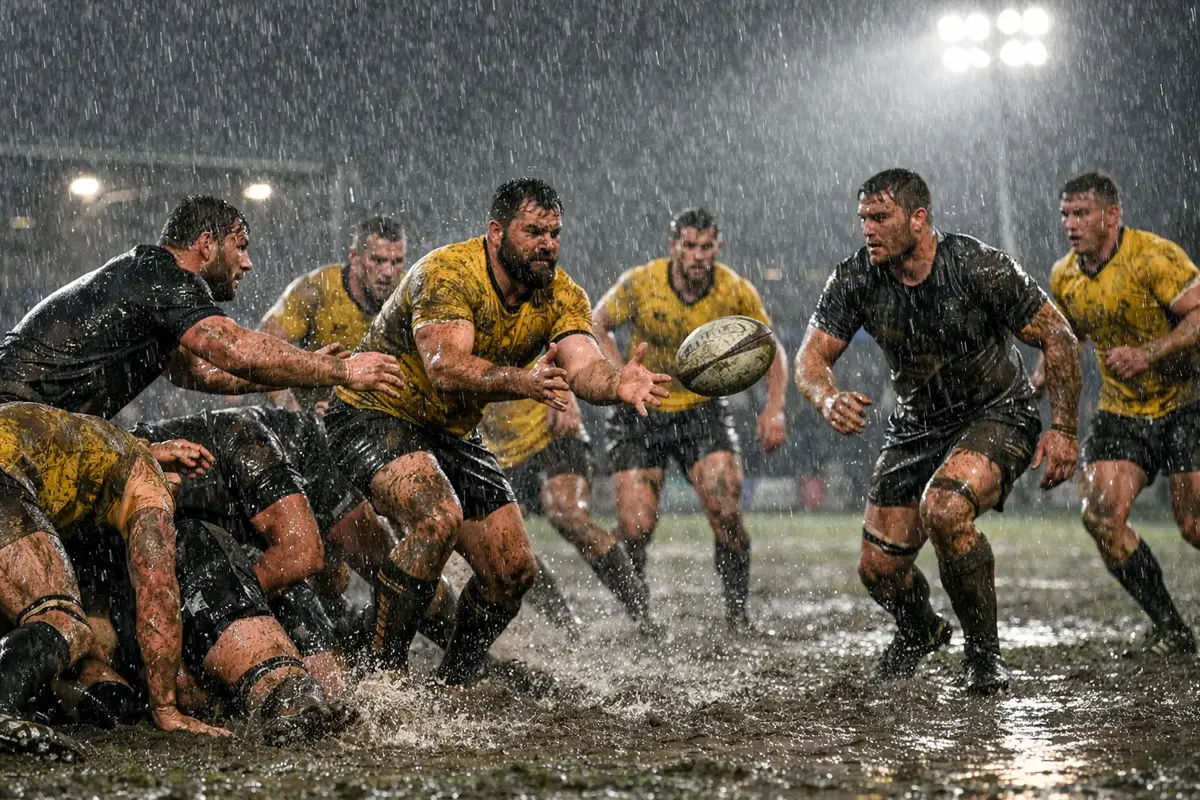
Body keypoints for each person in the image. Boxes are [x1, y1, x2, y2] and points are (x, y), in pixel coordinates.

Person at [324, 177, 671, 685]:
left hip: (450, 431)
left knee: (513, 571)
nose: (547, 244)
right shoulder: (448, 273)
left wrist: (618, 382)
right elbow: (444, 366)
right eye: (533, 232)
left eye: (554, 233)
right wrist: (522, 381)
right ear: (495, 232)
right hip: (375, 413)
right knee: (437, 518)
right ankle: (382, 680)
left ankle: (455, 682)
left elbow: (582, 364)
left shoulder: (561, 293)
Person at [794, 168, 1081, 694]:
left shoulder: (978, 266)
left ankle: (983, 656)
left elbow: (1058, 336)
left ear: (919, 218)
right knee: (878, 568)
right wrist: (827, 396)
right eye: (863, 219)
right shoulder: (856, 277)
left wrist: (1063, 428)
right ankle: (919, 629)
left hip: (997, 412)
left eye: (880, 218)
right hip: (917, 425)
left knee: (945, 509)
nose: (868, 229)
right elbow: (810, 358)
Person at [0, 195, 405, 420]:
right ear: (207, 244)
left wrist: (307, 374)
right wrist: (344, 371)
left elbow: (201, 372)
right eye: (241, 247)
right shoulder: (162, 276)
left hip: (39, 416)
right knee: (160, 481)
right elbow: (233, 348)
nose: (247, 263)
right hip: (18, 417)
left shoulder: (152, 283)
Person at [592, 207, 788, 630]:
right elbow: (598, 322)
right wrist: (619, 374)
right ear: (674, 247)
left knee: (726, 509)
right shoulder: (641, 282)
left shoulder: (734, 290)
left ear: (716, 248)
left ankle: (737, 615)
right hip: (641, 410)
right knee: (636, 524)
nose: (698, 255)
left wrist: (775, 407)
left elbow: (769, 346)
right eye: (690, 246)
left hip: (702, 410)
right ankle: (639, 614)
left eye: (706, 247)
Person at [0, 402, 227, 757]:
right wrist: (165, 707)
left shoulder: (98, 446)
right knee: (64, 623)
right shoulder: (148, 481)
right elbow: (158, 588)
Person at [1040, 172, 1200, 656]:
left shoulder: (1153, 256)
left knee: (1194, 527)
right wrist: (1035, 382)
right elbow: (1068, 342)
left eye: (1082, 213)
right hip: (1121, 413)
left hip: (1184, 403)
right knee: (1102, 517)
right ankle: (1172, 630)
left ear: (1111, 215)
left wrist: (1148, 354)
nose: (1071, 223)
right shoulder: (1063, 275)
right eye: (1066, 213)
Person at [478, 391, 650, 634]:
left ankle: (641, 614)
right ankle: (567, 626)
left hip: (553, 432)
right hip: (499, 453)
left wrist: (564, 391)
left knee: (566, 513)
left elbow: (565, 352)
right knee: (506, 546)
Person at [260, 215, 408, 411]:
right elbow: (264, 351)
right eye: (378, 260)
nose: (389, 272)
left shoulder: (409, 293)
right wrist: (297, 413)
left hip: (378, 413)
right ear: (355, 257)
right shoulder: (316, 290)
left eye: (396, 261)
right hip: (314, 409)